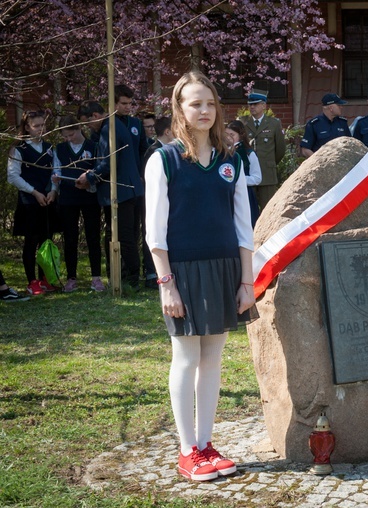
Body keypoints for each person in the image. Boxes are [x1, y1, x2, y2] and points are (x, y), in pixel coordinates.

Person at [144, 70, 257, 482]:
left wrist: (248, 283)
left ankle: (207, 445)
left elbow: (244, 227)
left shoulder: (232, 160)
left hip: (226, 269)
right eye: (195, 103)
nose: (205, 111)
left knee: (213, 360)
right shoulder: (164, 160)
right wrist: (166, 284)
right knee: (187, 357)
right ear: (179, 109)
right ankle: (187, 450)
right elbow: (155, 233)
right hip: (182, 273)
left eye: (210, 103)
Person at [76, 100, 145, 288]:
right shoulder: (112, 126)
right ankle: (120, 275)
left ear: (96, 116)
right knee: (117, 234)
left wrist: (89, 177)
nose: (87, 127)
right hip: (122, 189)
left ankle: (131, 279)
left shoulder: (109, 129)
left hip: (121, 190)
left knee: (123, 235)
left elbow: (108, 162)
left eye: (87, 122)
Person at [6, 110, 59, 295]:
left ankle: (45, 278)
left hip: (48, 200)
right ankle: (32, 281)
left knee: (47, 240)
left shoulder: (49, 147)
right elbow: (12, 176)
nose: (40, 129)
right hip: (29, 202)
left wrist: (53, 190)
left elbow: (56, 171)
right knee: (31, 241)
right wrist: (34, 192)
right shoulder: (19, 149)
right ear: (27, 127)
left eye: (43, 125)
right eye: (36, 126)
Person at [51, 115, 105, 292]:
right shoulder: (59, 149)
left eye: (71, 135)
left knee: (93, 237)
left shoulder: (93, 146)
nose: (68, 139)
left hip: (89, 198)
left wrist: (89, 181)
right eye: (65, 136)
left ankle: (96, 277)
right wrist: (55, 182)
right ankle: (71, 278)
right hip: (68, 198)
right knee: (70, 238)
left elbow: (98, 170)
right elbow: (56, 170)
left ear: (79, 129)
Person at [115, 84, 155, 286]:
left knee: (137, 230)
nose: (127, 107)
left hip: (137, 185)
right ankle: (122, 272)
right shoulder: (109, 124)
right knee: (121, 232)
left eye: (130, 103)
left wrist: (142, 174)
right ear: (114, 103)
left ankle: (138, 273)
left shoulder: (135, 124)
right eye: (123, 103)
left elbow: (142, 151)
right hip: (117, 185)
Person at [238, 91, 286, 209]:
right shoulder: (242, 122)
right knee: (248, 209)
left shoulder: (274, 123)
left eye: (255, 104)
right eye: (250, 104)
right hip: (248, 172)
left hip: (267, 173)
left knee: (268, 208)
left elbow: (280, 149)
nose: (252, 107)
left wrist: (269, 163)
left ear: (264, 105)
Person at [226, 120, 262, 228]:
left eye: (232, 135)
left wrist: (239, 179)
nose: (228, 138)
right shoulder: (221, 152)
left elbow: (257, 178)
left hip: (245, 193)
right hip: (228, 194)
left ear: (240, 136)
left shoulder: (248, 153)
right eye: (226, 134)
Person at [300, 93, 350, 158]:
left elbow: (350, 143)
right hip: (321, 164)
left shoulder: (342, 122)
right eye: (338, 105)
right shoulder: (314, 124)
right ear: (331, 108)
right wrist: (319, 162)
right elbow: (305, 150)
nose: (341, 107)